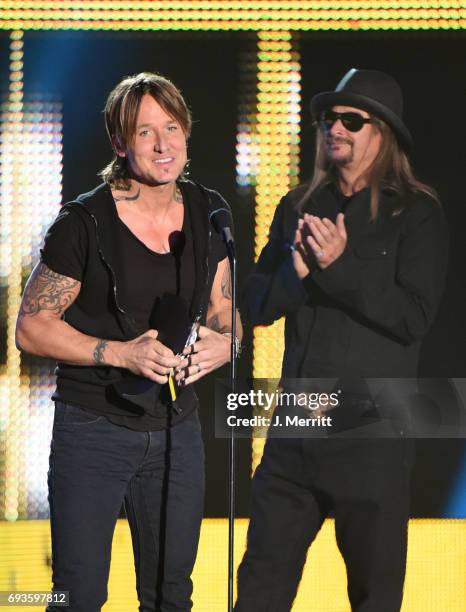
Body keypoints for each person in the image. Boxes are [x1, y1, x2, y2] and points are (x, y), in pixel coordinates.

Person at [15, 72, 242, 612]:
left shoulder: (209, 214)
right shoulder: (84, 223)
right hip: (92, 429)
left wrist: (225, 342)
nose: (163, 145)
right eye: (145, 132)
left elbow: (224, 308)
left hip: (176, 431)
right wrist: (120, 352)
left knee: (171, 595)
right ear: (120, 143)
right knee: (80, 595)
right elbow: (30, 326)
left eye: (172, 128)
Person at [235, 68, 448, 611]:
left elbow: (414, 317)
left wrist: (339, 265)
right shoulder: (297, 207)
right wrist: (298, 275)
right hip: (296, 430)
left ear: (384, 133)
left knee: (374, 598)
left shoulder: (416, 214)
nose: (336, 128)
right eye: (329, 118)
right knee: (259, 590)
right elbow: (253, 305)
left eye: (352, 119)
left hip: (372, 437)